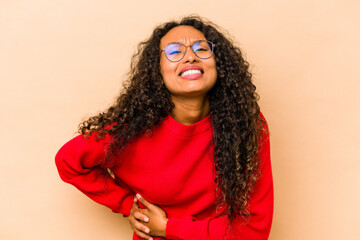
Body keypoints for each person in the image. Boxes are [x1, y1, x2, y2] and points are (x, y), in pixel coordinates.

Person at [55, 16, 273, 240]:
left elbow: (254, 229)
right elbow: (69, 161)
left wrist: (168, 228)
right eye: (175, 52)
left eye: (201, 49)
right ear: (157, 74)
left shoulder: (245, 125)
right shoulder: (130, 128)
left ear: (219, 65)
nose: (190, 56)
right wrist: (128, 205)